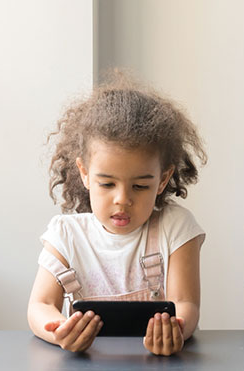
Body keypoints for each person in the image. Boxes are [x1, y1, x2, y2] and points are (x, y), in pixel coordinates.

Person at [27, 75, 207, 356]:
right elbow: (39, 306)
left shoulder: (176, 227)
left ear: (163, 179)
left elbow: (185, 303)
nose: (123, 199)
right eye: (107, 184)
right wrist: (60, 331)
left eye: (140, 186)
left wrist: (176, 332)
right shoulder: (65, 234)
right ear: (85, 173)